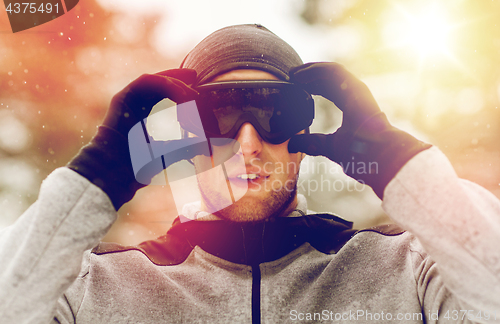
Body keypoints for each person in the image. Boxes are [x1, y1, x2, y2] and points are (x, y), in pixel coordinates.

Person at [1, 24, 499, 324]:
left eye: (272, 114)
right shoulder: (96, 286)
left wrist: (397, 161)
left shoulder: (406, 273)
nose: (247, 143)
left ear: (304, 142)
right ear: (189, 141)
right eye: (218, 118)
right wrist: (95, 180)